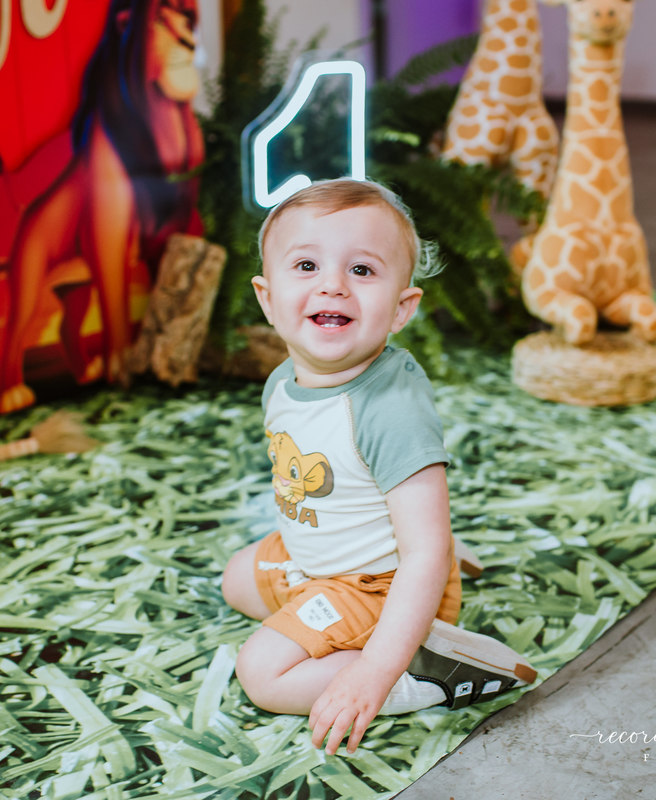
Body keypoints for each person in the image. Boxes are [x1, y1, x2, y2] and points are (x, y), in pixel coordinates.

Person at [220, 178, 537, 756]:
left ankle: (421, 669)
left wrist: (370, 675)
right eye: (308, 265)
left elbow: (421, 554)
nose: (333, 285)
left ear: (401, 308)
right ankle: (413, 594)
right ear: (268, 299)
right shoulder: (283, 381)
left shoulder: (388, 410)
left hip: (384, 584)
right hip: (321, 560)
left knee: (262, 672)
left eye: (362, 271)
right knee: (237, 580)